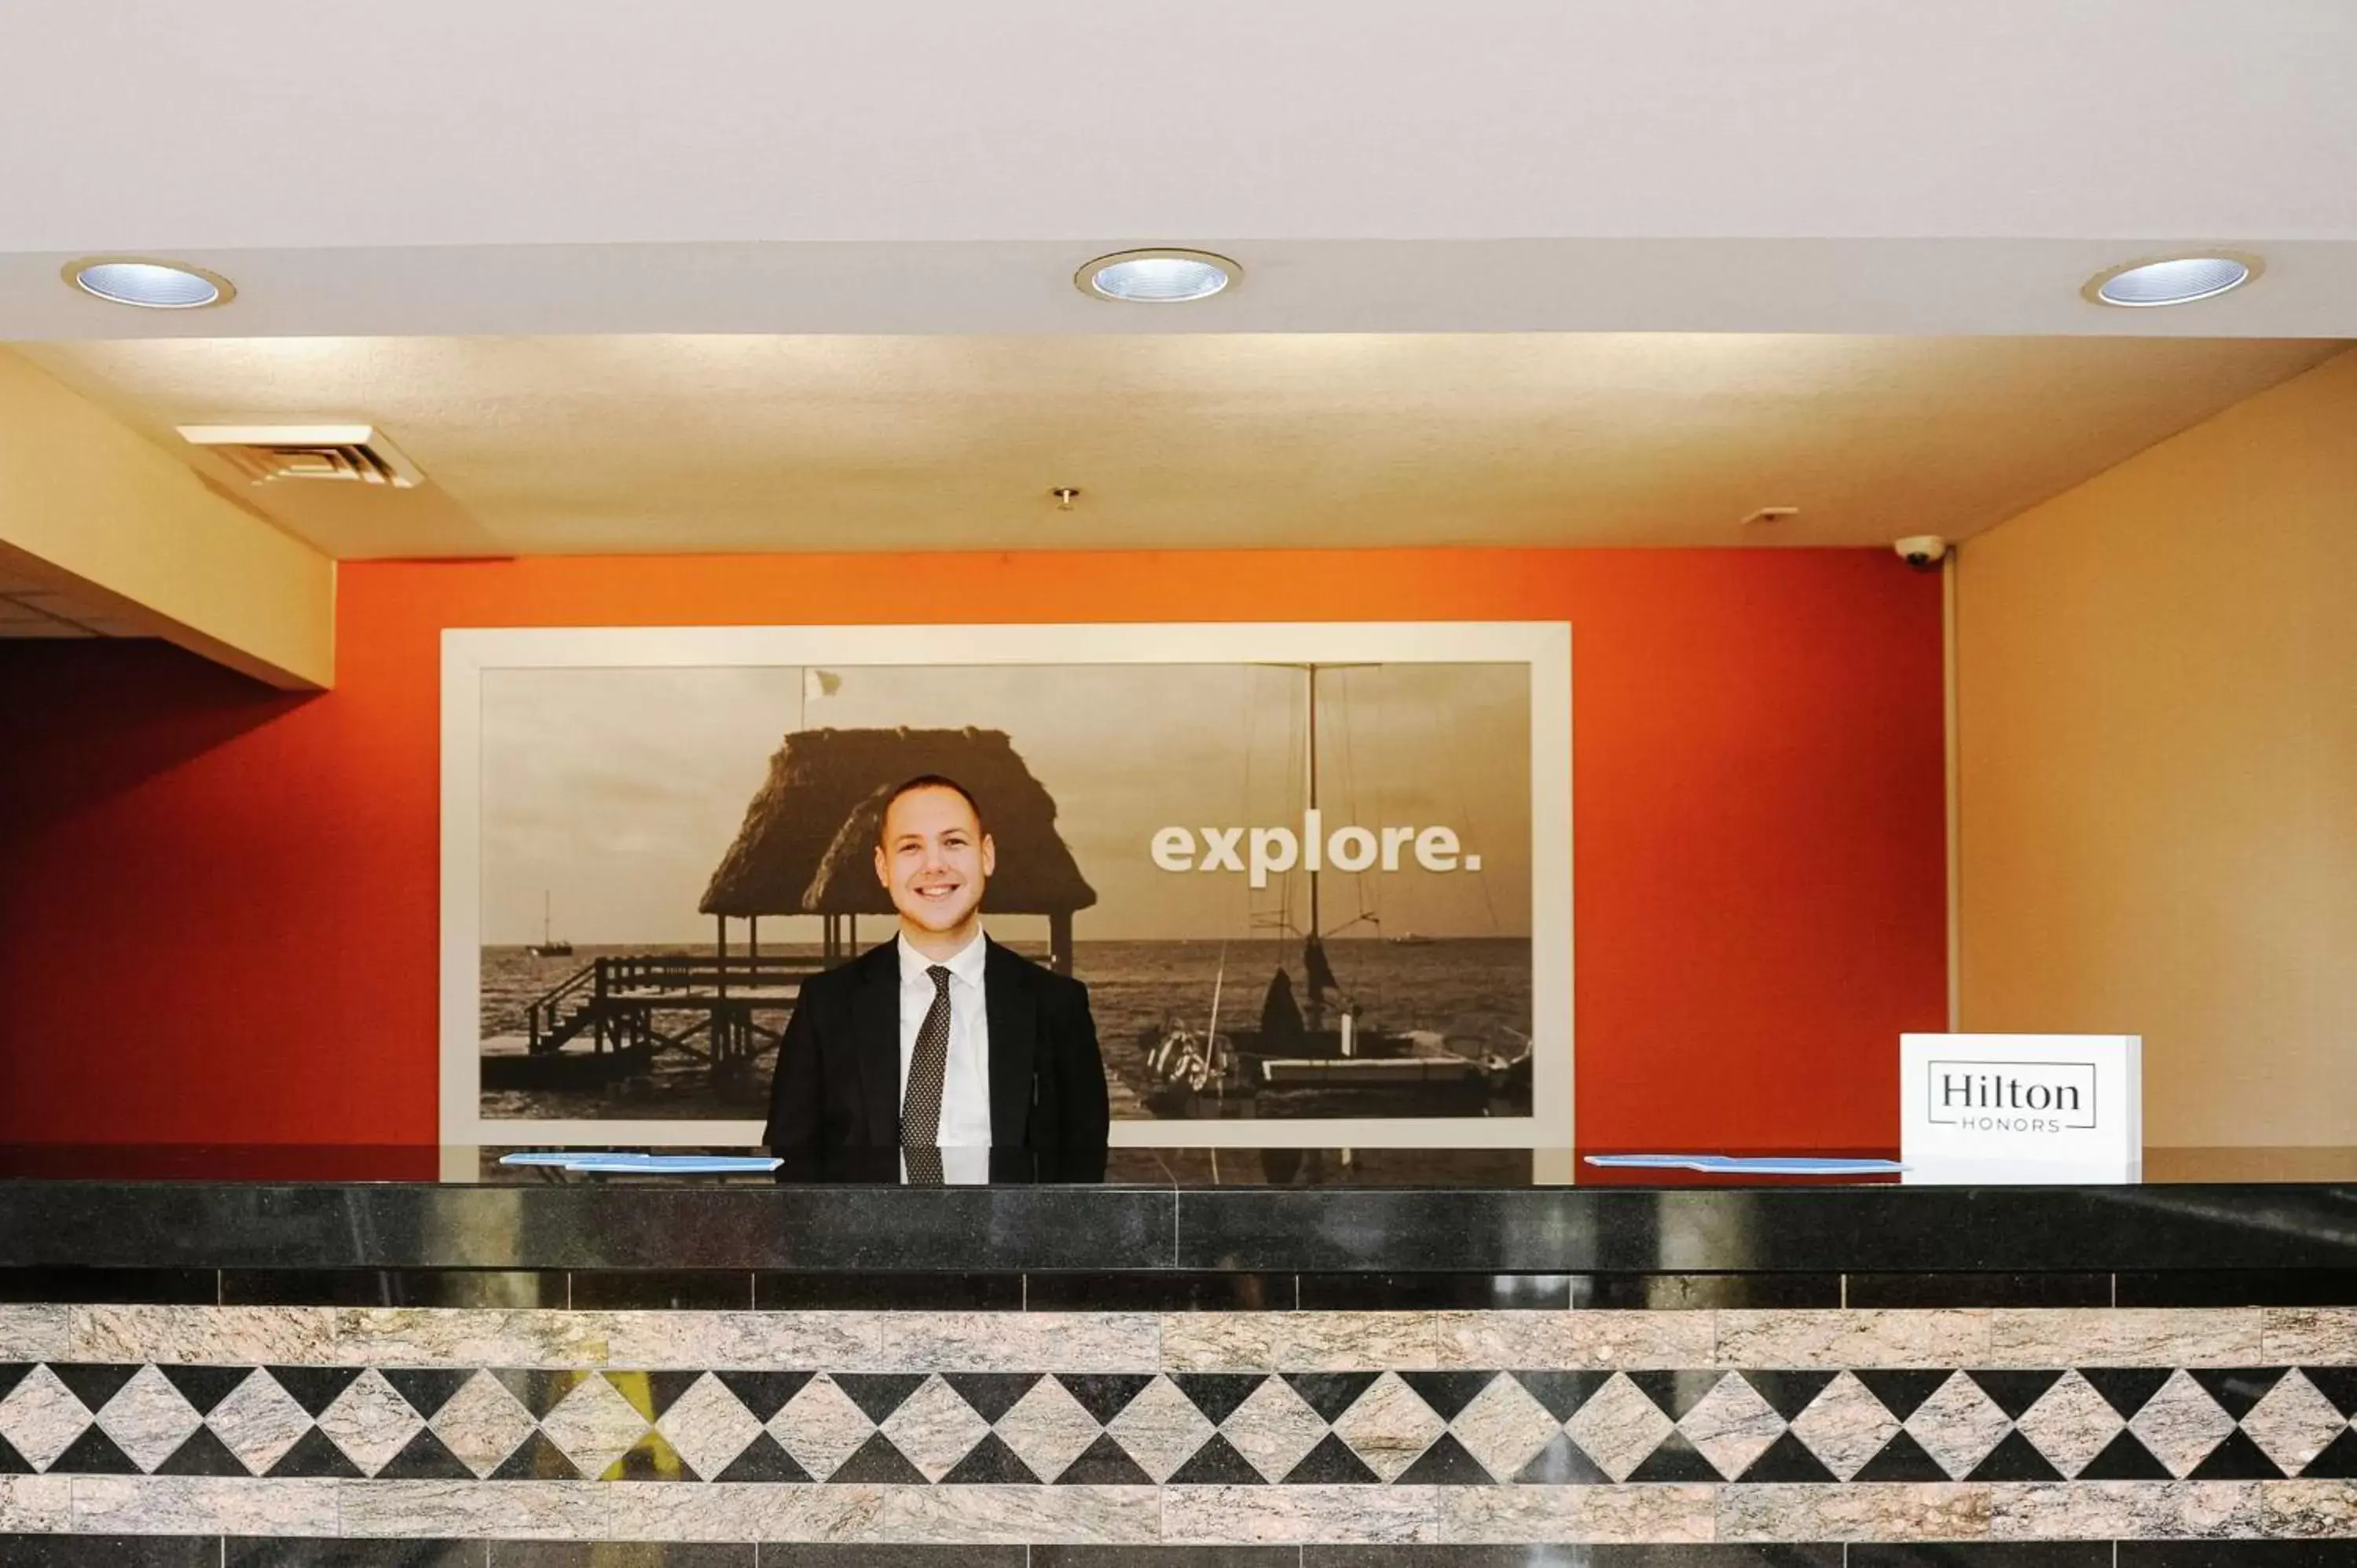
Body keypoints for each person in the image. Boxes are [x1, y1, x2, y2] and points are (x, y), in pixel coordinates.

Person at [764, 774, 1109, 1181]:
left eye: (954, 842)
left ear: (987, 855)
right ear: (883, 867)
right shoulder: (826, 1005)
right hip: (865, 1244)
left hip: (1011, 1243)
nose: (935, 865)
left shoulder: (1057, 1005)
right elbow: (794, 1157)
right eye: (911, 847)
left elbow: (1081, 1167)